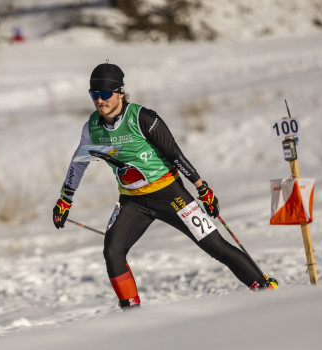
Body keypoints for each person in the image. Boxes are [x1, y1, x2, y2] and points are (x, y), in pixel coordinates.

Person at [53, 62, 277, 310]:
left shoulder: (141, 117)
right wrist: (65, 199)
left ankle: (264, 288)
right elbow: (78, 164)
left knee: (215, 246)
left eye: (105, 94)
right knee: (112, 251)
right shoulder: (92, 128)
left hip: (170, 194)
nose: (99, 101)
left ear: (119, 93)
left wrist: (202, 188)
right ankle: (132, 313)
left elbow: (174, 153)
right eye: (94, 95)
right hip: (133, 201)